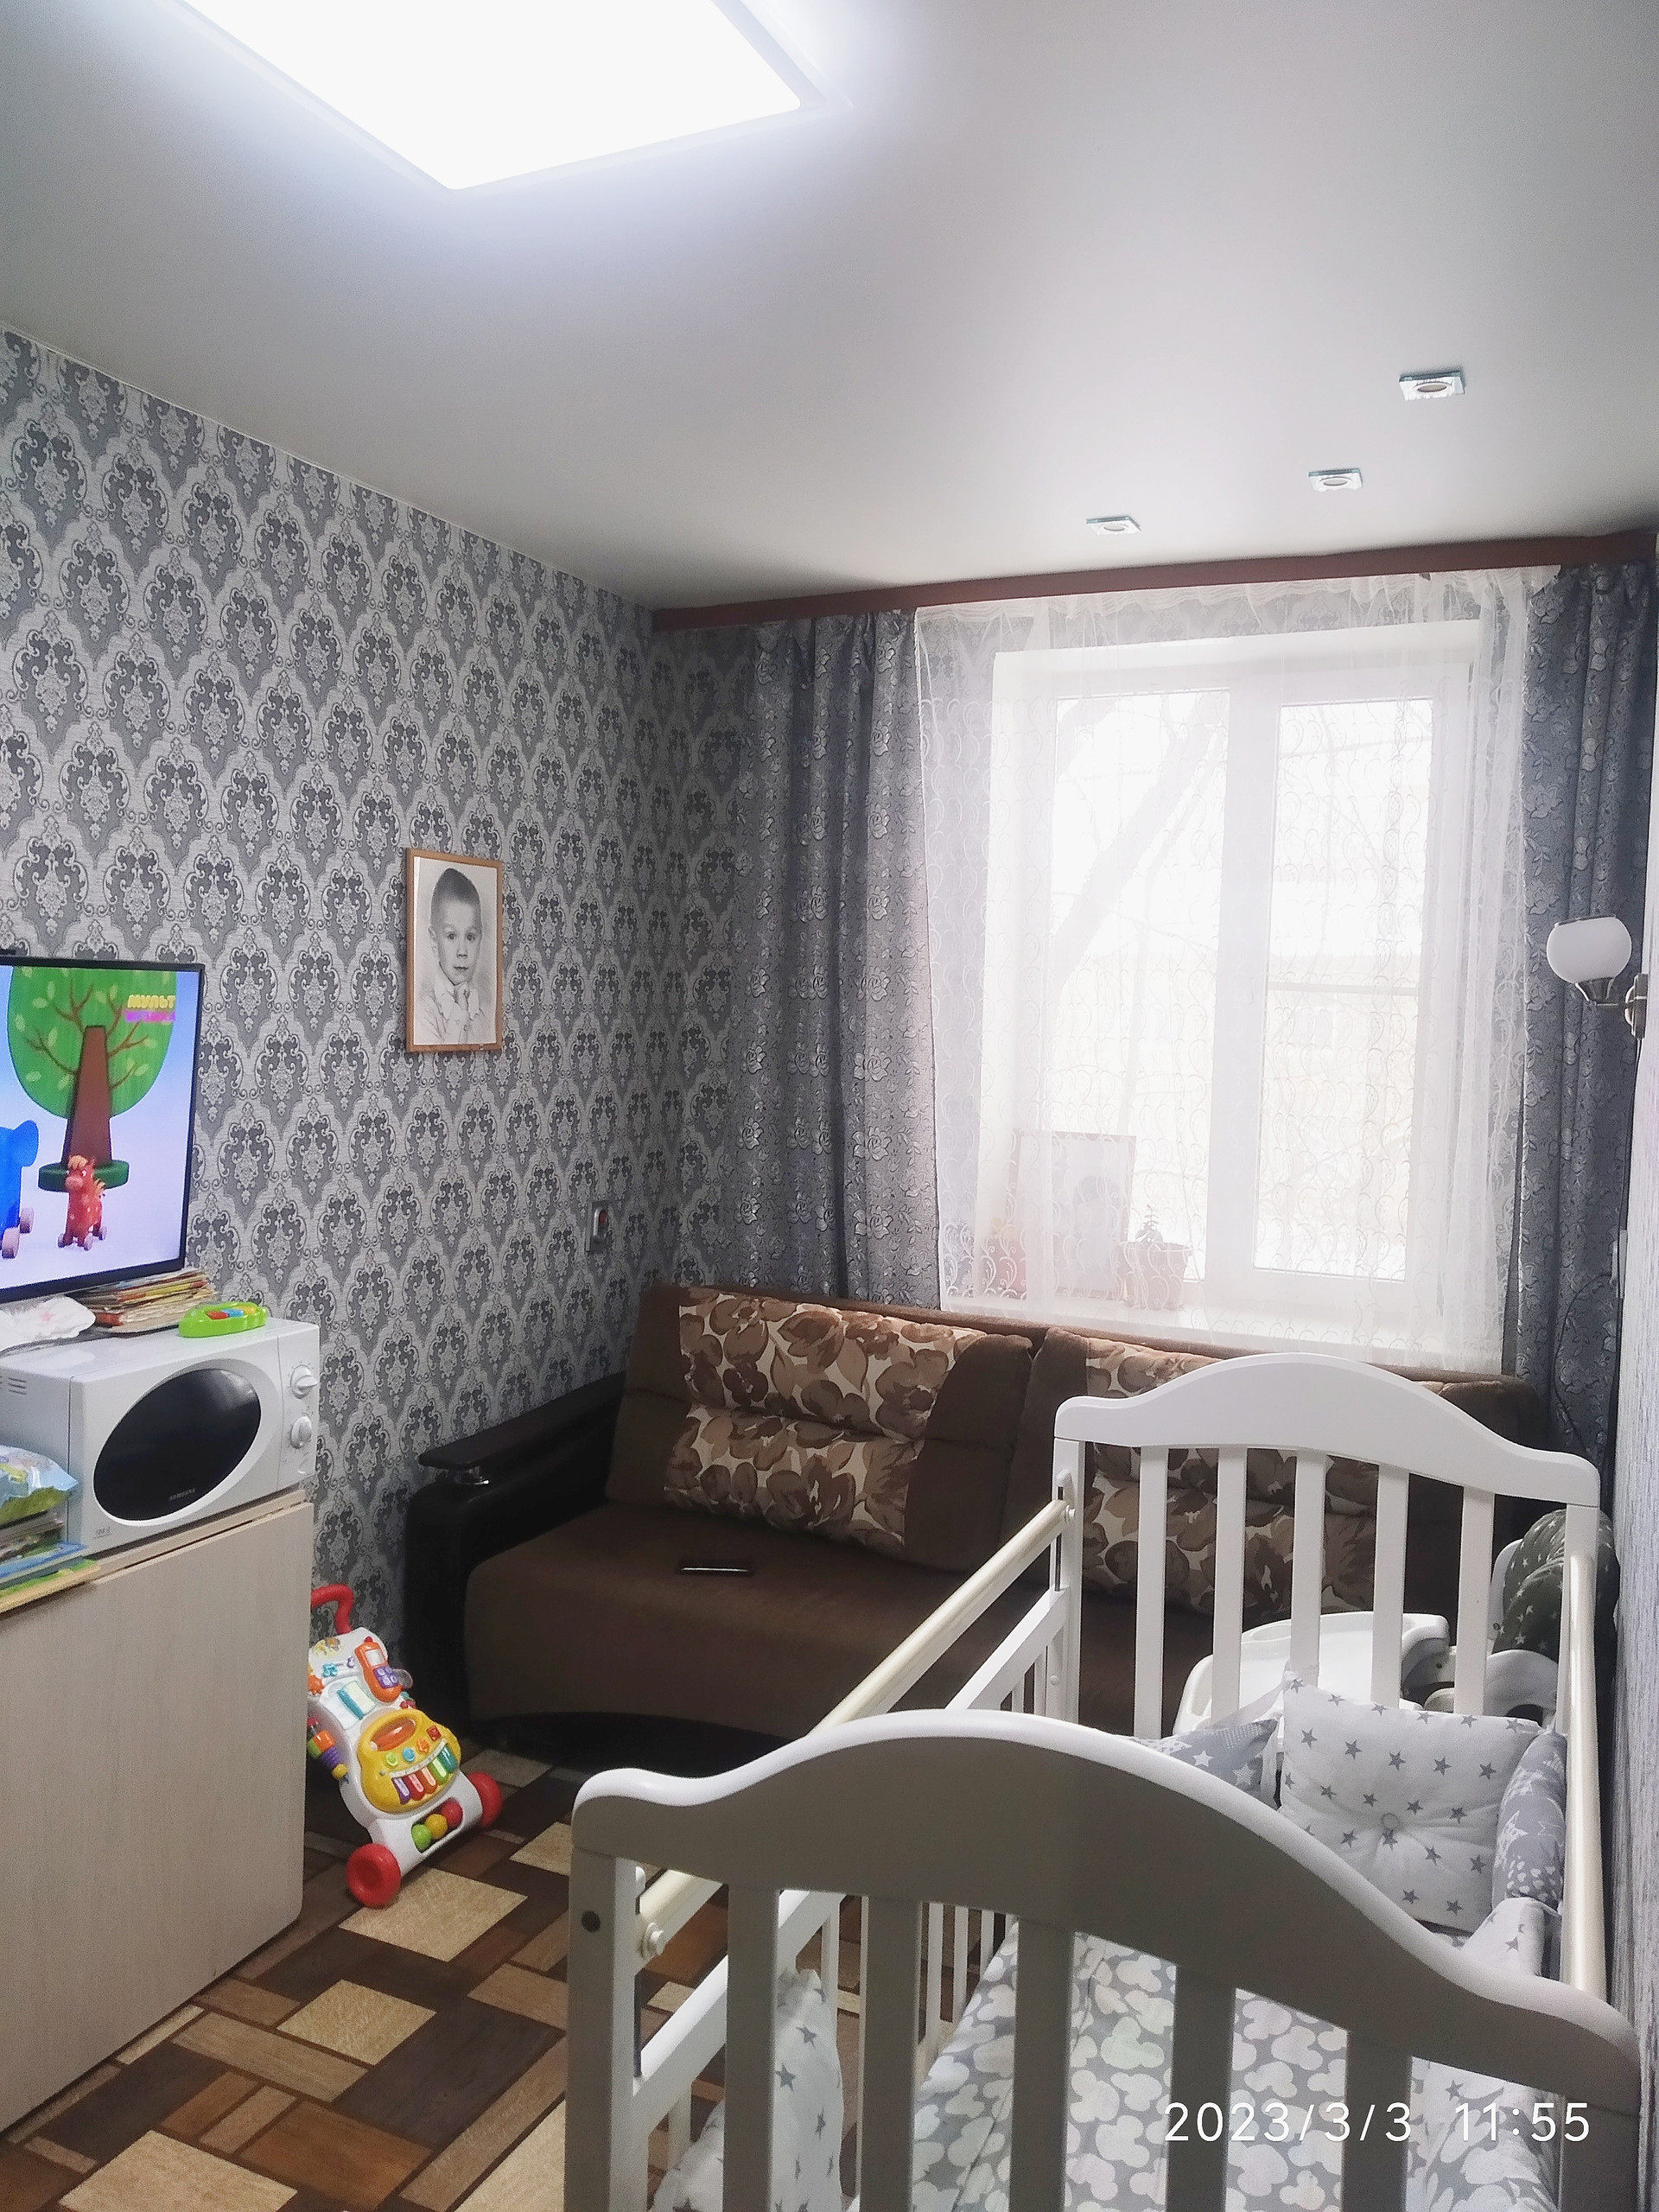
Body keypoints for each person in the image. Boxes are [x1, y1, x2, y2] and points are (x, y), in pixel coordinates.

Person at [416, 867, 492, 1046]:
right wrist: (460, 1011)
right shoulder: (424, 1012)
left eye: (470, 937)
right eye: (451, 936)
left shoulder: (487, 1010)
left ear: (480, 939)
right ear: (434, 940)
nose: (462, 951)